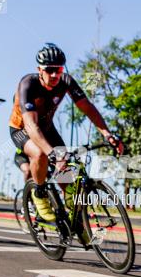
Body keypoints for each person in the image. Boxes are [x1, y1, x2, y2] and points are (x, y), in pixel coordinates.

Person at [8, 43, 123, 221]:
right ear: (39, 69)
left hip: (47, 128)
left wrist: (107, 133)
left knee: (68, 179)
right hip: (22, 130)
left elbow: (88, 108)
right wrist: (52, 153)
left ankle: (77, 223)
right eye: (49, 70)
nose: (55, 74)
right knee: (40, 154)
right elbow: (31, 126)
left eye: (59, 69)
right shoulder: (27, 84)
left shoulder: (66, 81)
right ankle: (39, 193)